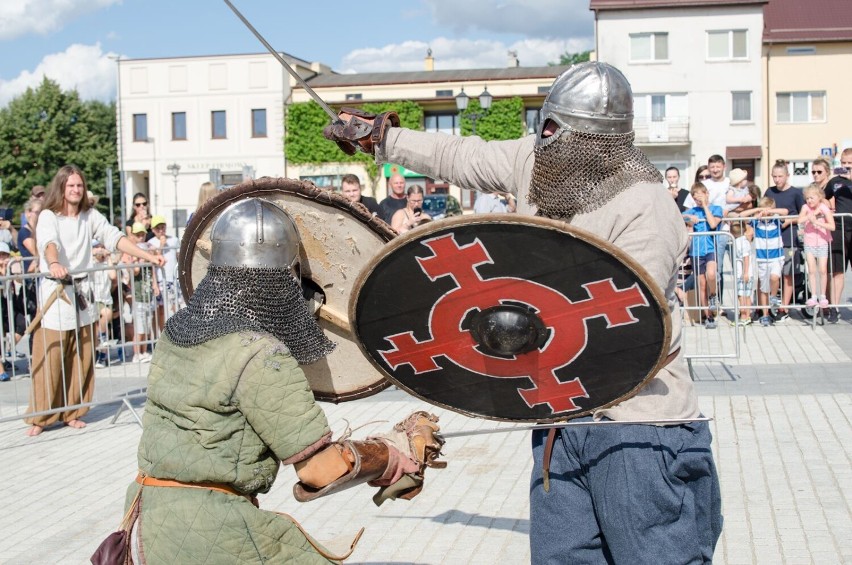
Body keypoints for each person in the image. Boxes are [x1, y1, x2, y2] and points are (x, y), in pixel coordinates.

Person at [324, 61, 721, 564]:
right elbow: (460, 153)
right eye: (545, 124)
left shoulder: (646, 207)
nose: (545, 136)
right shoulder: (540, 162)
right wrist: (382, 138)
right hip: (561, 424)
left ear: (595, 139)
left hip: (639, 428)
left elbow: (621, 326)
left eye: (557, 128)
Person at [120, 197, 444, 563]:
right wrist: (391, 452)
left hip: (145, 522)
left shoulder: (177, 330)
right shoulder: (260, 353)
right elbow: (320, 471)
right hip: (211, 533)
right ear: (284, 278)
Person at [25, 165, 164, 437]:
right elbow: (48, 243)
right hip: (57, 292)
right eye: (70, 186)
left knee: (82, 356)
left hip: (83, 293)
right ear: (61, 188)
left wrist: (148, 257)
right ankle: (40, 417)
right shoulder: (48, 216)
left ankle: (74, 411)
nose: (76, 190)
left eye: (79, 185)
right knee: (51, 355)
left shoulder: (90, 216)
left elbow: (115, 238)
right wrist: (54, 263)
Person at [739, 197, 789, 326]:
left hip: (776, 256)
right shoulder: (757, 222)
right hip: (762, 258)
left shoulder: (776, 220)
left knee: (774, 277)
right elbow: (741, 215)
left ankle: (773, 297)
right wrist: (759, 210)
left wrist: (771, 211)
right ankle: (765, 314)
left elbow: (785, 211)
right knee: (763, 287)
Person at [767, 160, 806, 322]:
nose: (777, 180)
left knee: (787, 274)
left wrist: (790, 220)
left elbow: (802, 214)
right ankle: (770, 305)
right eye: (774, 176)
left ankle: (784, 307)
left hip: (789, 238)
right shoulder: (769, 191)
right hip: (771, 239)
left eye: (780, 176)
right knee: (772, 274)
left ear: (787, 176)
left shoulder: (796, 193)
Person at [682, 183, 723, 328]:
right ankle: (708, 317)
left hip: (710, 249)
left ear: (707, 194)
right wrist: (688, 218)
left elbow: (712, 224)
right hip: (696, 251)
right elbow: (680, 217)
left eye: (701, 196)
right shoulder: (693, 210)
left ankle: (713, 296)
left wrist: (705, 206)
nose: (698, 201)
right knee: (701, 284)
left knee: (711, 275)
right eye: (696, 199)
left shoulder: (716, 209)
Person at [824, 148, 852, 323]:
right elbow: (823, 197)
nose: (847, 166)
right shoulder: (834, 181)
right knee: (838, 271)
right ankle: (834, 308)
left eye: (850, 163)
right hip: (839, 229)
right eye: (844, 163)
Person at [124, 222, 158, 363]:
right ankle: (136, 353)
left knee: (147, 323)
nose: (140, 237)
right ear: (133, 236)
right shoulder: (132, 251)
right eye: (137, 235)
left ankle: (144, 351)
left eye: (142, 234)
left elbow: (152, 268)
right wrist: (140, 258)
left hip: (148, 292)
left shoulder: (148, 248)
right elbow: (134, 271)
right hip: (138, 294)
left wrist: (155, 284)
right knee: (140, 326)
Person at [799, 183, 834, 312]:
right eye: (807, 198)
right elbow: (799, 220)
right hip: (809, 242)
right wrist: (809, 216)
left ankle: (823, 296)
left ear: (819, 197)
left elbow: (832, 226)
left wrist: (818, 222)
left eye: (812, 198)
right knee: (812, 270)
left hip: (823, 242)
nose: (809, 201)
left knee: (823, 270)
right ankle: (813, 295)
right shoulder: (805, 207)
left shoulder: (824, 208)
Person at [148, 215, 181, 333]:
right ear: (153, 230)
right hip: (160, 280)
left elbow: (179, 258)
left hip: (173, 279)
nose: (161, 230)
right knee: (160, 309)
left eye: (162, 227)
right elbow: (154, 259)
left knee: (175, 307)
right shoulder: (151, 242)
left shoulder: (174, 240)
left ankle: (177, 332)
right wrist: (161, 245)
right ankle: (161, 334)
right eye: (158, 228)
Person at [729, 221, 754, 325]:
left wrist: (745, 272)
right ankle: (745, 315)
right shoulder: (741, 240)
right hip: (744, 273)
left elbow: (746, 258)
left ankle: (744, 316)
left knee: (743, 295)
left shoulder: (742, 242)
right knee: (744, 295)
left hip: (744, 273)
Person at [18, 197, 42, 273]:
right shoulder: (24, 232)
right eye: (38, 212)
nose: (40, 215)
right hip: (31, 275)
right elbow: (37, 251)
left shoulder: (41, 230)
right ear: (28, 212)